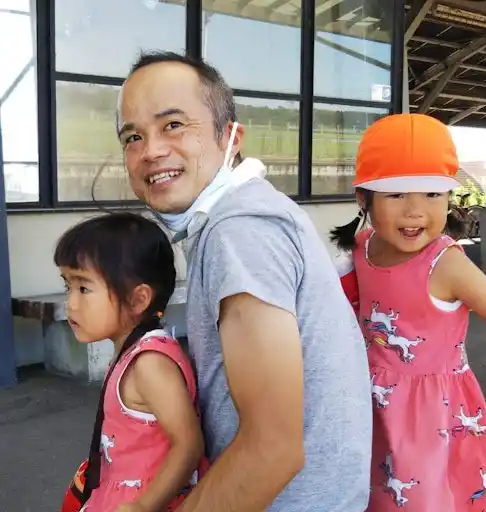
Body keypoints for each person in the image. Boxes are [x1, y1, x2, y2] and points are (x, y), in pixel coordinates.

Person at [116, 50, 372, 511]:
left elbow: (270, 450)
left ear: (231, 137)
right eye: (133, 136)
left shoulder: (239, 230)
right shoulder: (236, 217)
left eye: (173, 124)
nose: (150, 150)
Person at [330, 112, 486, 511]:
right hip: (367, 406)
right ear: (363, 198)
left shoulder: (446, 264)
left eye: (432, 193)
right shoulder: (361, 248)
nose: (415, 210)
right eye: (396, 194)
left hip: (432, 418)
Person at [55, 212, 207, 512]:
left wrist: (143, 506)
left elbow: (189, 445)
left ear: (138, 300)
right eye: (67, 287)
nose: (70, 303)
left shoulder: (150, 364)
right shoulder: (131, 352)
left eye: (84, 288)